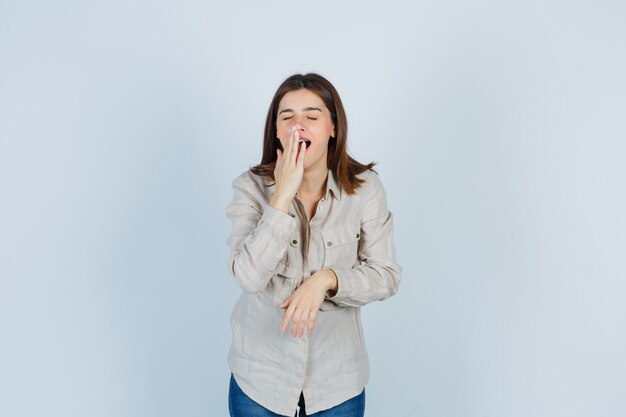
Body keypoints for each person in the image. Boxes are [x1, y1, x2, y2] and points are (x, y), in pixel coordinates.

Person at [226, 73, 402, 417]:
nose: (298, 126)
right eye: (287, 117)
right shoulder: (249, 188)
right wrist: (280, 199)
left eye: (312, 116)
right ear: (275, 130)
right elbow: (247, 277)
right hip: (259, 380)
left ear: (332, 128)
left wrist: (326, 280)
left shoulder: (365, 189)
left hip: (337, 382)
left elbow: (386, 276)